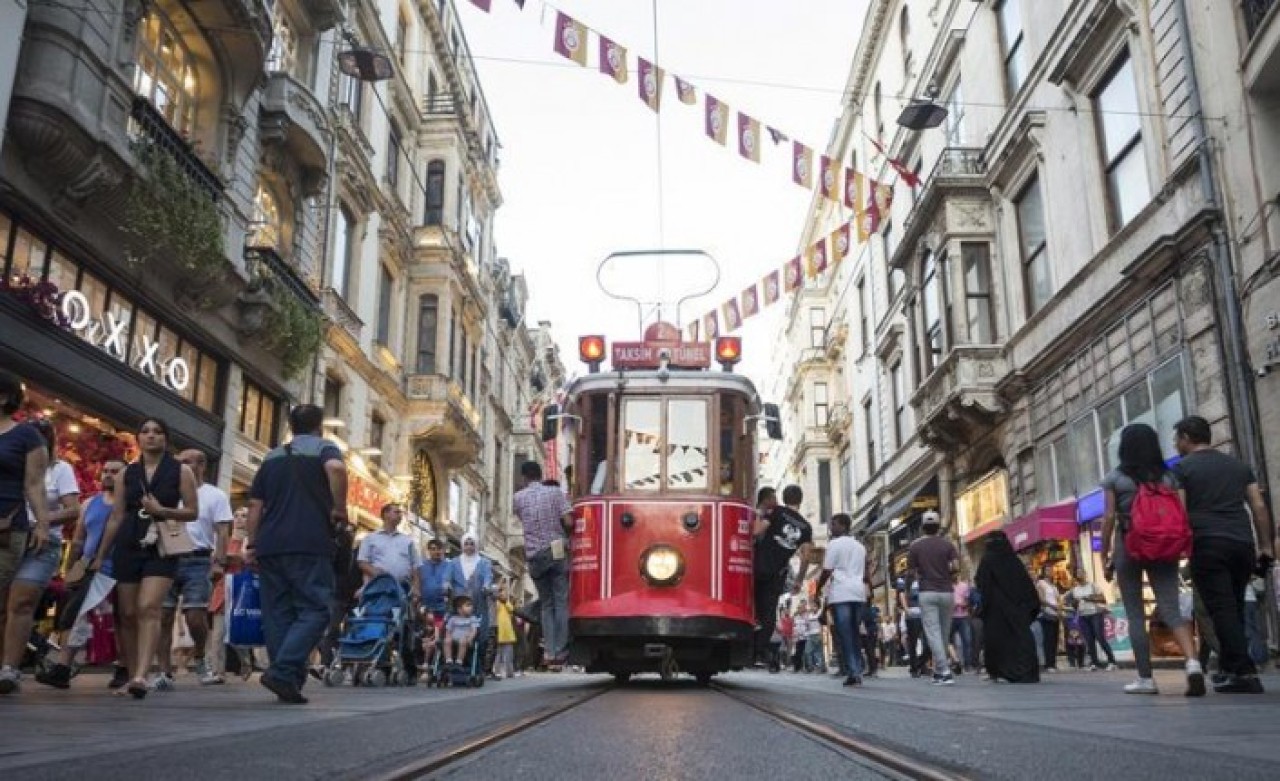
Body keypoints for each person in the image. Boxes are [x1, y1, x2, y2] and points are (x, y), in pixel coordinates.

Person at [244, 404, 347, 705]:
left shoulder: (273, 456)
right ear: (320, 426)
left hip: (271, 544)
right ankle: (283, 670)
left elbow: (255, 506)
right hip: (310, 542)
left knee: (278, 614)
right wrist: (339, 508)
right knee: (316, 609)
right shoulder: (325, 448)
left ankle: (287, 681)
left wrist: (252, 545)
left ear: (291, 426)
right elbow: (337, 469)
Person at [92, 417, 200, 699]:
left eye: (158, 432)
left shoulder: (180, 471)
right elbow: (116, 517)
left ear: (166, 438)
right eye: (145, 432)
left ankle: (142, 675)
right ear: (138, 438)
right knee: (126, 614)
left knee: (149, 606)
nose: (151, 436)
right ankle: (130, 672)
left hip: (161, 543)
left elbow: (192, 511)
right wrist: (100, 554)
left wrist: (162, 510)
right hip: (128, 542)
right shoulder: (126, 473)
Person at [1173, 415, 1275, 694]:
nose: (1175, 444)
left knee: (1221, 609)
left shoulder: (1181, 469)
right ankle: (1231, 669)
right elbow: (1258, 506)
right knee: (1236, 606)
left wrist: (1180, 547)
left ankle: (1244, 672)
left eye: (1177, 439)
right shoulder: (1239, 466)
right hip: (1242, 543)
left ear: (1185, 438)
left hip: (1207, 543)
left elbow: (1180, 513)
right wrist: (1266, 546)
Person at [1101, 423, 1202, 696]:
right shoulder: (1169, 477)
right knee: (1171, 608)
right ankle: (1193, 663)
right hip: (1164, 546)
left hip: (1129, 546)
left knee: (1135, 613)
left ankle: (1146, 679)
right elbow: (1181, 512)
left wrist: (1104, 555)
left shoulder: (1115, 478)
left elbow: (1109, 517)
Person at [0, 417, 76, 695]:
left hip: (42, 544)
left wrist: (43, 520)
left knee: (21, 603)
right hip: (9, 536)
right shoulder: (10, 464)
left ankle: (10, 668)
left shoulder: (60, 469)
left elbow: (73, 509)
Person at [36, 459, 127, 689]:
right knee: (77, 617)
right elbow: (78, 540)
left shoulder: (131, 505)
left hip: (120, 570)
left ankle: (123, 667)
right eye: (105, 470)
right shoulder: (89, 504)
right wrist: (71, 569)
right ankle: (63, 669)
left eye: (115, 472)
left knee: (122, 621)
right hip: (89, 569)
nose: (108, 475)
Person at [153, 449, 232, 689]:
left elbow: (222, 530)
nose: (188, 466)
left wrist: (219, 561)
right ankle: (165, 671)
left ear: (203, 467)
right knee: (163, 616)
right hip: (165, 556)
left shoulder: (214, 495)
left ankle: (199, 657)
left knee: (195, 617)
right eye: (183, 462)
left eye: (194, 462)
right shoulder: (166, 492)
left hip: (198, 559)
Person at [0, 372, 51, 695]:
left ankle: (8, 666)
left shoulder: (27, 436)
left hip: (6, 526)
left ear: (4, 397)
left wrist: (43, 524)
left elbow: (34, 485)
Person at [513, 461, 573, 669]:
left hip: (534, 555)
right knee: (561, 601)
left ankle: (549, 650)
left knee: (547, 604)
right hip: (555, 549)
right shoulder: (555, 493)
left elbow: (523, 519)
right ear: (540, 475)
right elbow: (568, 522)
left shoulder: (518, 498)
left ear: (524, 477)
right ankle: (561, 650)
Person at [752, 485, 813, 672]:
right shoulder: (806, 527)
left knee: (752, 604)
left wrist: (758, 514)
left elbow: (756, 531)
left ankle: (749, 642)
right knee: (769, 612)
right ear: (800, 500)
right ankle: (758, 650)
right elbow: (806, 557)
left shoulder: (776, 512)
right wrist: (799, 580)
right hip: (777, 573)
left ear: (784, 498)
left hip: (758, 565)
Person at [974, 531, 1040, 683]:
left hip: (995, 610)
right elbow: (1026, 588)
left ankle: (999, 672)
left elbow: (982, 583)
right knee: (1019, 639)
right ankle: (1023, 671)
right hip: (1017, 610)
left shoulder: (988, 560)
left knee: (997, 640)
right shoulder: (1014, 561)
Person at [907, 510, 959, 686]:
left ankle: (944, 671)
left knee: (933, 633)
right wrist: (947, 574)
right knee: (944, 632)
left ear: (922, 527)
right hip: (947, 592)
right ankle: (938, 671)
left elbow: (911, 572)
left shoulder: (915, 547)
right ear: (938, 526)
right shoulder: (947, 545)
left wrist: (913, 585)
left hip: (927, 591)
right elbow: (955, 566)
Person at [817, 513, 868, 687]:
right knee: (854, 632)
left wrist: (818, 589)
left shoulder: (834, 545)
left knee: (845, 633)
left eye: (834, 524)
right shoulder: (860, 547)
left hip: (841, 593)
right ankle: (857, 668)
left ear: (844, 526)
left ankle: (854, 671)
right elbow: (865, 573)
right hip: (858, 592)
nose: (831, 528)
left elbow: (827, 570)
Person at [444, 532, 494, 668]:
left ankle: (475, 664)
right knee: (453, 629)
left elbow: (488, 578)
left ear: (476, 545)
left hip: (477, 603)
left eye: (472, 544)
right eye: (466, 543)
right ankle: (452, 661)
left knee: (479, 633)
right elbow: (447, 578)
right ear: (462, 545)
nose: (469, 547)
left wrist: (486, 587)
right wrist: (446, 586)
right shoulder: (454, 562)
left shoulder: (484, 563)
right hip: (458, 604)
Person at [357, 503, 422, 597]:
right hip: (377, 588)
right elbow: (362, 562)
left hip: (402, 590)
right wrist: (376, 572)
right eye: (397, 512)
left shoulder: (407, 541)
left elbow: (416, 565)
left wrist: (416, 587)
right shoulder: (370, 538)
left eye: (400, 513)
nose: (400, 515)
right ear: (386, 514)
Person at [1068, 570, 1116, 671]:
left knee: (1100, 638)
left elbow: (1103, 598)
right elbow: (1071, 602)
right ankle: (1094, 662)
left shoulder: (1093, 586)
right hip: (1083, 615)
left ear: (1085, 575)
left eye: (1081, 573)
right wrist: (1074, 603)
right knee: (1089, 640)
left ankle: (1112, 661)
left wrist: (1089, 598)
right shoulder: (1075, 590)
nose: (1079, 575)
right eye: (1078, 574)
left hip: (1095, 614)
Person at [1035, 567, 1061, 673]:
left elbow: (1058, 599)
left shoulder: (1054, 586)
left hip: (1055, 613)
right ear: (1044, 572)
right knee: (1048, 639)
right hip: (1046, 613)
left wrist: (1059, 609)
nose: (1050, 572)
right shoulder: (1041, 583)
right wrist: (1052, 606)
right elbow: (1041, 599)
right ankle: (1048, 664)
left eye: (1051, 570)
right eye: (1047, 570)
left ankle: (1053, 663)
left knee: (1054, 639)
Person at [444, 595, 480, 666]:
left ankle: (459, 661)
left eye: (471, 605)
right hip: (453, 638)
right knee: (446, 641)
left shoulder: (472, 618)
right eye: (468, 605)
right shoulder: (453, 619)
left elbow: (474, 630)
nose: (471, 607)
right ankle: (448, 660)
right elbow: (448, 630)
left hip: (465, 639)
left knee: (462, 641)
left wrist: (470, 638)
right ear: (459, 609)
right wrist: (448, 637)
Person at [493, 582, 517, 679]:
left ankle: (510, 672)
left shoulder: (507, 603)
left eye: (504, 592)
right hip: (499, 632)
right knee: (498, 654)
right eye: (501, 592)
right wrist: (497, 598)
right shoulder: (496, 603)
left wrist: (506, 601)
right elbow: (495, 609)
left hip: (508, 633)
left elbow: (511, 610)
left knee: (509, 655)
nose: (503, 594)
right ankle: (496, 671)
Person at [952, 578, 974, 673]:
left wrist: (963, 604)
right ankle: (953, 662)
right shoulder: (946, 586)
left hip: (963, 616)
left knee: (967, 641)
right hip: (950, 617)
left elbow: (968, 601)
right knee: (947, 641)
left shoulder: (964, 586)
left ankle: (967, 664)